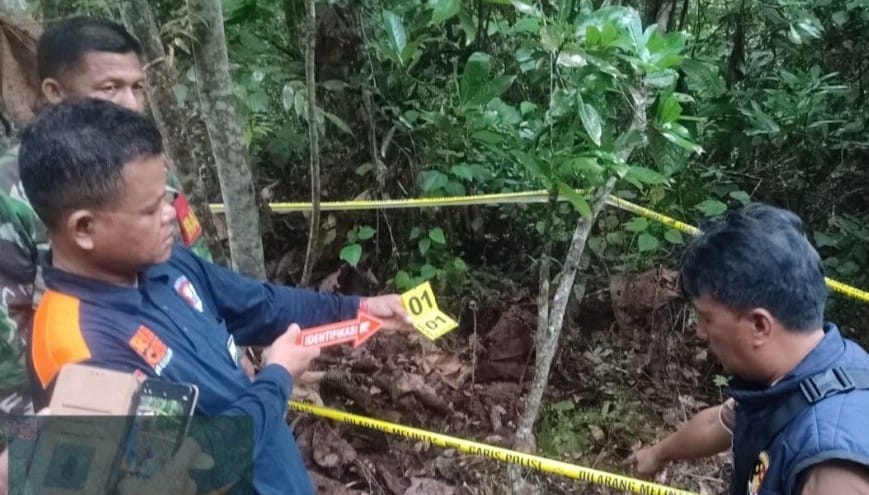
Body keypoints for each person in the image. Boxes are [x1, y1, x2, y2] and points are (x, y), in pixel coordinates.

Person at [19, 99, 412, 493]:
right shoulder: (79, 351)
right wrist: (276, 378)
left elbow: (259, 303)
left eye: (167, 198)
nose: (171, 214)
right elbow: (184, 472)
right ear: (84, 228)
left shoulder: (160, 261)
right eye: (151, 208)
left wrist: (357, 309)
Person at [0, 16, 212, 419]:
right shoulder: (10, 192)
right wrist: (29, 449)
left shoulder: (142, 162)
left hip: (184, 377)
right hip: (84, 404)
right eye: (109, 88)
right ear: (55, 92)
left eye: (137, 88)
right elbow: (7, 347)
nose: (131, 104)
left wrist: (229, 350)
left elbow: (197, 268)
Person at [627, 204, 869, 494]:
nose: (701, 332)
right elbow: (720, 422)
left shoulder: (831, 469)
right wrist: (657, 455)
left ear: (759, 326)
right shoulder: (821, 368)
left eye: (706, 318)